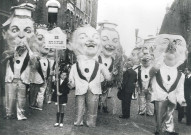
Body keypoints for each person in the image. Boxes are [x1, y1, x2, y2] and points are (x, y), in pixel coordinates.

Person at [68, 25, 111, 127]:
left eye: (95, 37)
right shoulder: (75, 65)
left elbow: (108, 77)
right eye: (83, 37)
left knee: (93, 107)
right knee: (79, 107)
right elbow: (71, 77)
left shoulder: (100, 66)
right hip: (80, 89)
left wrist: (110, 76)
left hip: (94, 89)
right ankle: (78, 121)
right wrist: (71, 82)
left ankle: (91, 122)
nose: (91, 40)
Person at [1, 3, 36, 120]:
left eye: (27, 31)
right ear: (4, 34)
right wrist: (14, 50)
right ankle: (8, 113)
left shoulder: (30, 53)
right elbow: (5, 58)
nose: (21, 35)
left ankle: (21, 114)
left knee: (21, 98)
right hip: (11, 78)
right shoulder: (8, 53)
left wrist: (28, 47)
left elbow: (33, 61)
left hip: (22, 79)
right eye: (15, 30)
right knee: (10, 97)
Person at [150, 34, 187, 135]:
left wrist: (181, 99)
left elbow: (180, 89)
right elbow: (151, 77)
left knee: (170, 113)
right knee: (159, 113)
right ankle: (158, 129)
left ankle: (170, 129)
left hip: (172, 95)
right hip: (160, 95)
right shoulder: (158, 70)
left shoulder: (181, 75)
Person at [97, 21, 120, 113]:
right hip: (97, 83)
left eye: (114, 41)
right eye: (105, 39)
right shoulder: (95, 59)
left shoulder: (114, 61)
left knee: (106, 95)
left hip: (107, 84)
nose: (110, 44)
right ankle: (98, 105)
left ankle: (104, 106)